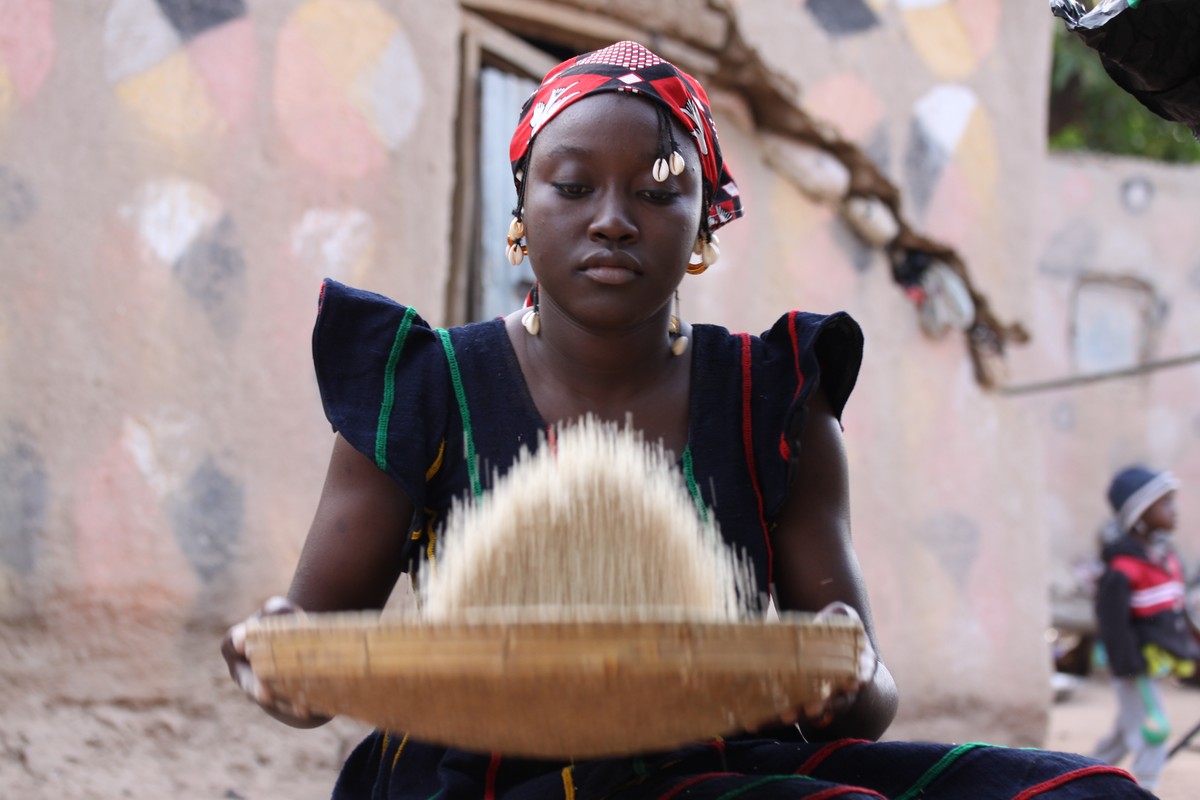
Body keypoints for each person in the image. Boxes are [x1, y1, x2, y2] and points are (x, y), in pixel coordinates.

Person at [223, 41, 1155, 798]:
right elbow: (308, 668)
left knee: (1086, 795)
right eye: (574, 185)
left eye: (660, 190)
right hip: (483, 775)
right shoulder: (428, 389)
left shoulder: (771, 401)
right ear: (521, 214)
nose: (615, 219)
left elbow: (861, 707)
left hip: (718, 765)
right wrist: (272, 649)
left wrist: (842, 665)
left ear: (706, 223)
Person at [1093, 465, 1197, 790]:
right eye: (1164, 504)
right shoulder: (1123, 569)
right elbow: (1113, 625)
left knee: (1124, 734)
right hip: (1134, 667)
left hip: (1151, 665)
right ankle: (1145, 790)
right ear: (1139, 514)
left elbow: (1177, 614)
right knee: (1153, 732)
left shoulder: (1166, 559)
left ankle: (1080, 779)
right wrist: (1128, 666)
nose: (1174, 511)